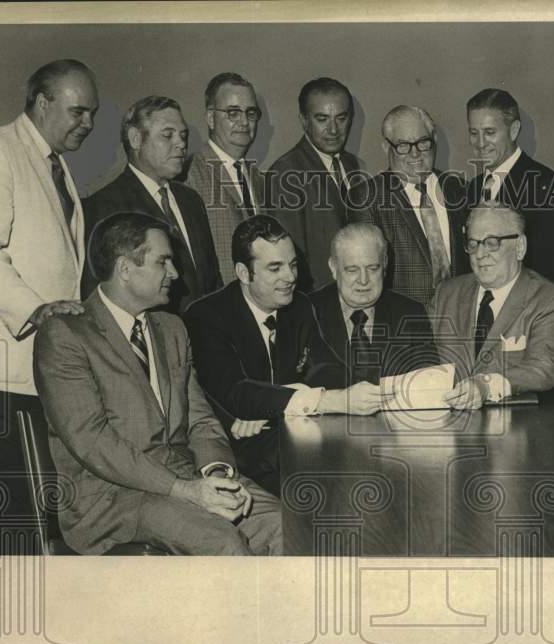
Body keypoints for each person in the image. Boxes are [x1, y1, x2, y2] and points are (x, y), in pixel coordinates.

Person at [34, 212, 282, 555]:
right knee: (222, 542)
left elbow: (200, 419)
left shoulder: (172, 329)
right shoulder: (65, 334)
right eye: (163, 261)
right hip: (111, 497)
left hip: (185, 478)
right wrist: (184, 490)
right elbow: (94, 442)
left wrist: (219, 474)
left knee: (282, 523)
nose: (175, 273)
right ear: (125, 268)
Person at [0, 59, 98, 554]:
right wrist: (38, 311)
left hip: (42, 363)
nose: (88, 124)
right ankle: (17, 621)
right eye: (78, 111)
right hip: (0, 367)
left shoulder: (53, 163)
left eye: (92, 113)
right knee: (17, 516)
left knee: (42, 509)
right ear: (41, 101)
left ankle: (43, 614)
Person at [182, 215, 388, 492]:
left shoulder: (299, 305)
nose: (290, 277)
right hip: (238, 450)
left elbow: (327, 368)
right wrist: (324, 400)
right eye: (275, 268)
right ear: (244, 273)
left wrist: (281, 397)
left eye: (292, 265)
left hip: (290, 437)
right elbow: (235, 394)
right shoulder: (206, 316)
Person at [429, 204, 554, 410]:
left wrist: (486, 386)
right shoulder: (446, 294)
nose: (480, 254)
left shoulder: (552, 302)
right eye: (473, 244)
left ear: (520, 247)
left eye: (492, 243)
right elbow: (419, 358)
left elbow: (545, 367)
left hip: (514, 432)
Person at [82, 95, 222, 312]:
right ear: (135, 139)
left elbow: (212, 282)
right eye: (168, 135)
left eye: (183, 135)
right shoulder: (101, 206)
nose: (181, 144)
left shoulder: (191, 200)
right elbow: (101, 298)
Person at [346, 105, 469, 306]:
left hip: (461, 318)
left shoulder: (459, 189)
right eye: (403, 145)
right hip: (404, 326)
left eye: (423, 143)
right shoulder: (366, 197)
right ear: (386, 147)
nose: (415, 154)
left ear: (434, 141)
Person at [466, 88, 554, 299]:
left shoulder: (543, 185)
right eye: (474, 133)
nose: (480, 143)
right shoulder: (473, 188)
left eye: (490, 133)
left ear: (514, 130)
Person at [309, 222, 438, 384]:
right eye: (352, 270)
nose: (364, 280)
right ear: (333, 267)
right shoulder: (306, 312)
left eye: (372, 268)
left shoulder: (411, 313)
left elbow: (428, 386)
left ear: (385, 264)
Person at [268, 77, 360, 290]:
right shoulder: (285, 171)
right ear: (304, 120)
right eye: (322, 119)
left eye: (341, 118)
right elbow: (289, 258)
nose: (334, 129)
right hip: (318, 302)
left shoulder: (350, 163)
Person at [183, 72, 267, 283]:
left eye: (251, 113)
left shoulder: (258, 178)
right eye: (233, 113)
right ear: (211, 118)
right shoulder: (190, 173)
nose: (244, 122)